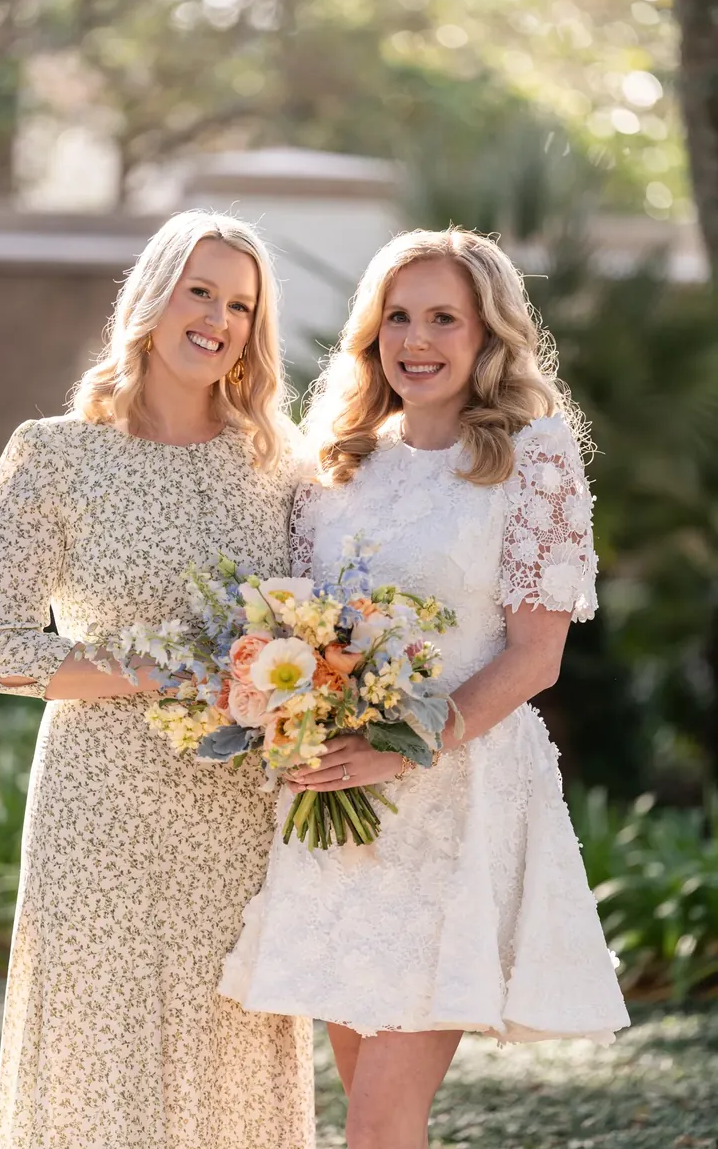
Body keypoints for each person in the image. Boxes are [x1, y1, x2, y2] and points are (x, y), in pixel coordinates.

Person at [219, 226, 629, 1149]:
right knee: (371, 1108)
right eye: (397, 317)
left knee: (378, 1122)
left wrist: (396, 748)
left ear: (489, 334)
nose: (418, 339)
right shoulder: (339, 462)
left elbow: (535, 656)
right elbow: (298, 623)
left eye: (444, 318)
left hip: (457, 803)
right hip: (335, 814)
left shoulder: (537, 460)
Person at [0, 212, 314, 1149]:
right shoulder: (53, 453)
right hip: (100, 805)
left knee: (231, 1050)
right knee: (101, 1049)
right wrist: (155, 671)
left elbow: (323, 627)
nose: (218, 318)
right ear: (152, 296)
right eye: (200, 290)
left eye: (241, 304)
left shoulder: (279, 467)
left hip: (236, 808)